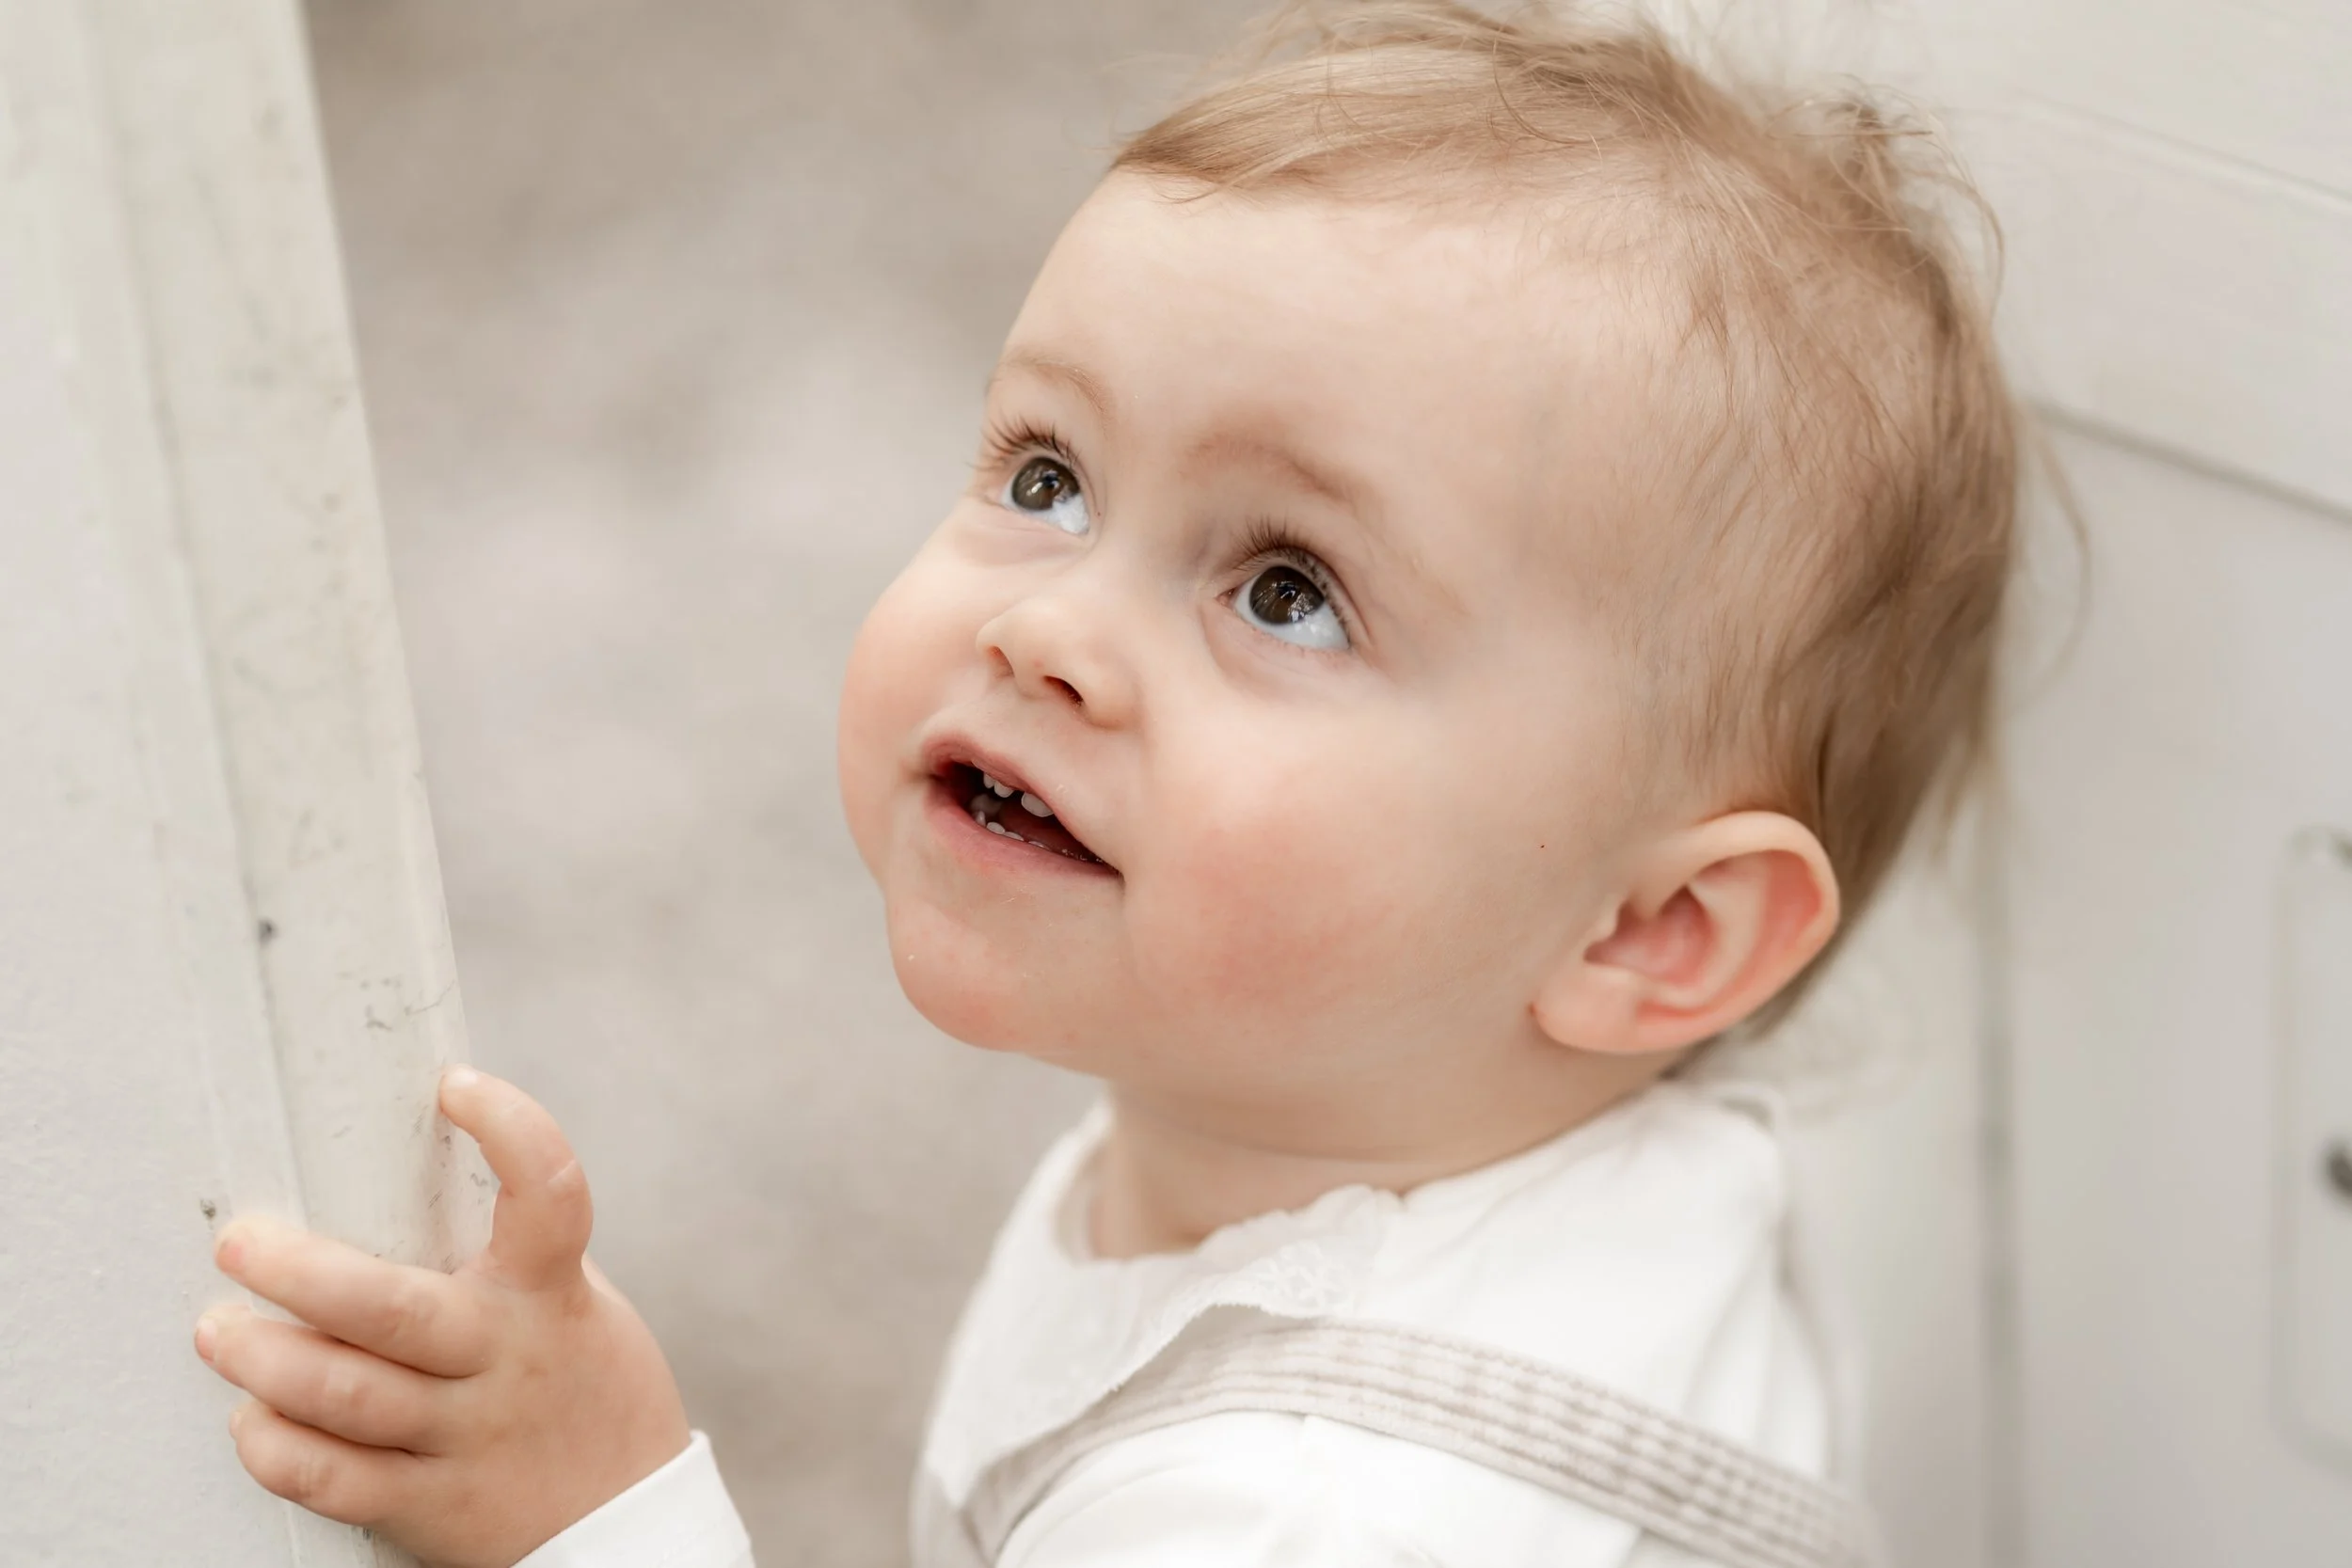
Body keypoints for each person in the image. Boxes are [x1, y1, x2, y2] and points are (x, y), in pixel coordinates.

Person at [190, 3, 2018, 1564]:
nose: (1050, 625)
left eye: (1286, 590)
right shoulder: (1529, 1147)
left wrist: (598, 1502)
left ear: (1650, 928)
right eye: (1047, 473)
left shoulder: (1302, 1512)